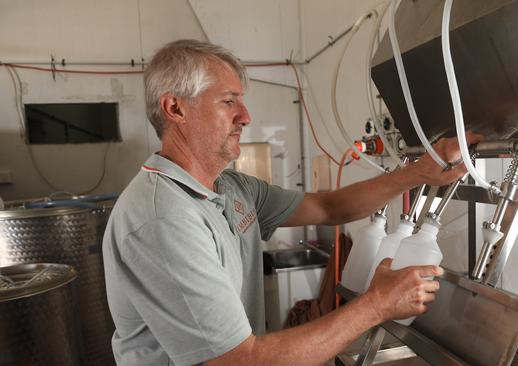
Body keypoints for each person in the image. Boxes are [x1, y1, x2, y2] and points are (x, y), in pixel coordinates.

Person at [103, 39, 481, 366]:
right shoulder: (161, 217)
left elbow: (329, 208)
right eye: (228, 101)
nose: (245, 116)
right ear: (175, 109)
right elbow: (238, 360)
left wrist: (419, 172)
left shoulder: (233, 188)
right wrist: (377, 304)